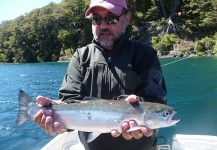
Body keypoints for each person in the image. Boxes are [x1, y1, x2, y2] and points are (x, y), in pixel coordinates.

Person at [34, 0, 167, 149]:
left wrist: (139, 105)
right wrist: (58, 119)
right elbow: (69, 100)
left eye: (111, 18)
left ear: (127, 18)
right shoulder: (80, 57)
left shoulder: (145, 55)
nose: (103, 26)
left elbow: (156, 102)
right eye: (96, 19)